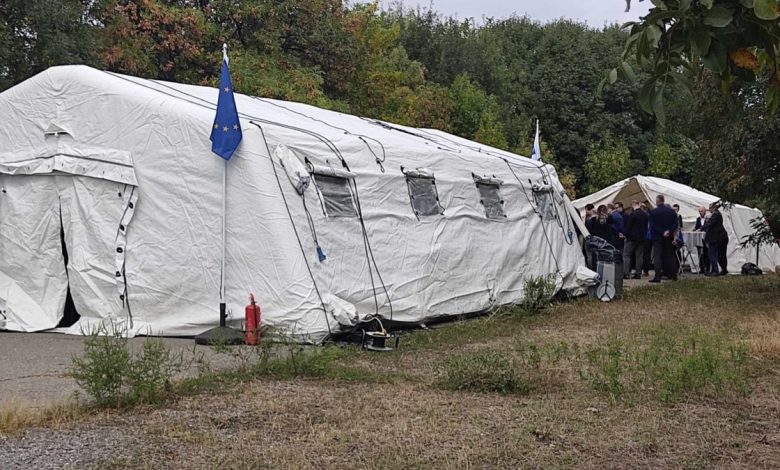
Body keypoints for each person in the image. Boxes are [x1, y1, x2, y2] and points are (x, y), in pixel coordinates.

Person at [648, 195, 678, 283]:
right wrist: (668, 231)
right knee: (670, 255)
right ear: (663, 201)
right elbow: (675, 224)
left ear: (657, 201)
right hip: (669, 237)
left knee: (657, 256)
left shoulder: (653, 212)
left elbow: (653, 225)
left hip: (657, 237)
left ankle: (658, 276)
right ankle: (673, 274)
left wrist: (661, 232)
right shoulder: (671, 212)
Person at [622, 200, 648, 279]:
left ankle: (625, 273)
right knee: (639, 256)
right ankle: (638, 273)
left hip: (632, 238)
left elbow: (629, 226)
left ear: (633, 205)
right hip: (642, 237)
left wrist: (625, 234)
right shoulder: (645, 214)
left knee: (626, 255)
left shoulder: (633, 214)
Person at [702, 202, 729, 276]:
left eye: (710, 207)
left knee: (713, 254)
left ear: (714, 208)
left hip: (718, 238)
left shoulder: (716, 214)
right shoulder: (716, 214)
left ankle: (715, 270)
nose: (709, 209)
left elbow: (710, 223)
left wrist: (701, 228)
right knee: (719, 254)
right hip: (718, 237)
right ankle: (722, 269)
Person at [694, 206, 710, 274]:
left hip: (706, 238)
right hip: (699, 238)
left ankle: (707, 268)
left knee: (706, 253)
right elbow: (697, 227)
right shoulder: (698, 219)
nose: (700, 213)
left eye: (701, 211)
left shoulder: (708, 218)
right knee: (699, 253)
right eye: (699, 211)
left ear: (705, 211)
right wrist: (695, 230)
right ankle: (701, 268)